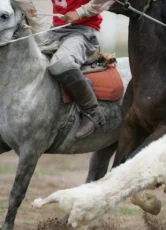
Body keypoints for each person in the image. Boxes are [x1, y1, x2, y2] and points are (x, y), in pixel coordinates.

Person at [26, 0, 114, 138]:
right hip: (55, 30)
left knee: (62, 63)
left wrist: (80, 12)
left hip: (84, 31)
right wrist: (27, 4)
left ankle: (93, 112)